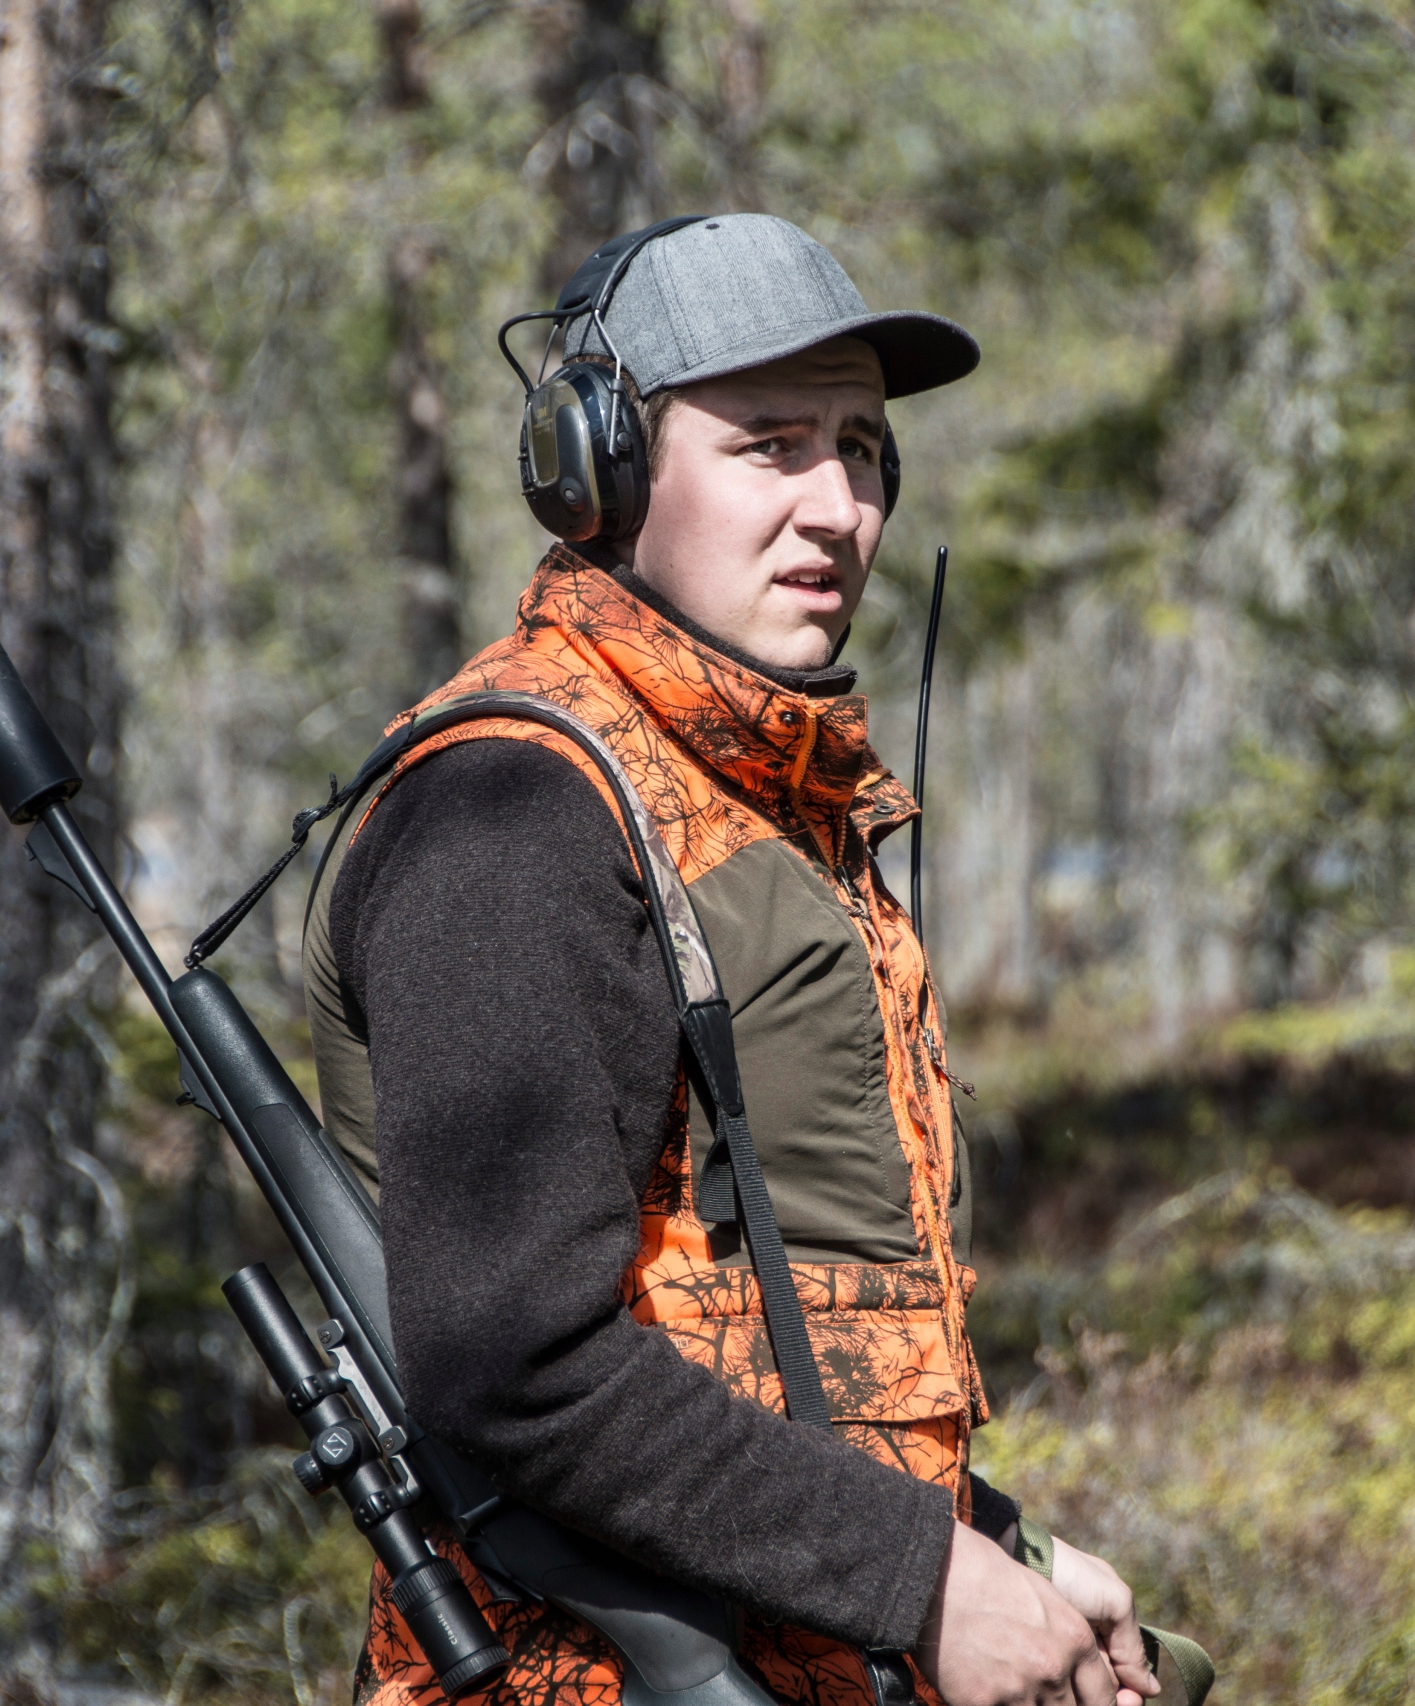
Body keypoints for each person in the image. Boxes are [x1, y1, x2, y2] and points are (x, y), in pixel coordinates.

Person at [304, 214, 1188, 1706]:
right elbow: (515, 1361)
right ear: (598, 473)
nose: (838, 506)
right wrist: (924, 1580)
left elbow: (771, 1338)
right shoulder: (517, 809)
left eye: (862, 448)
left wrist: (998, 1549)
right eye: (770, 444)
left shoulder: (746, 797)